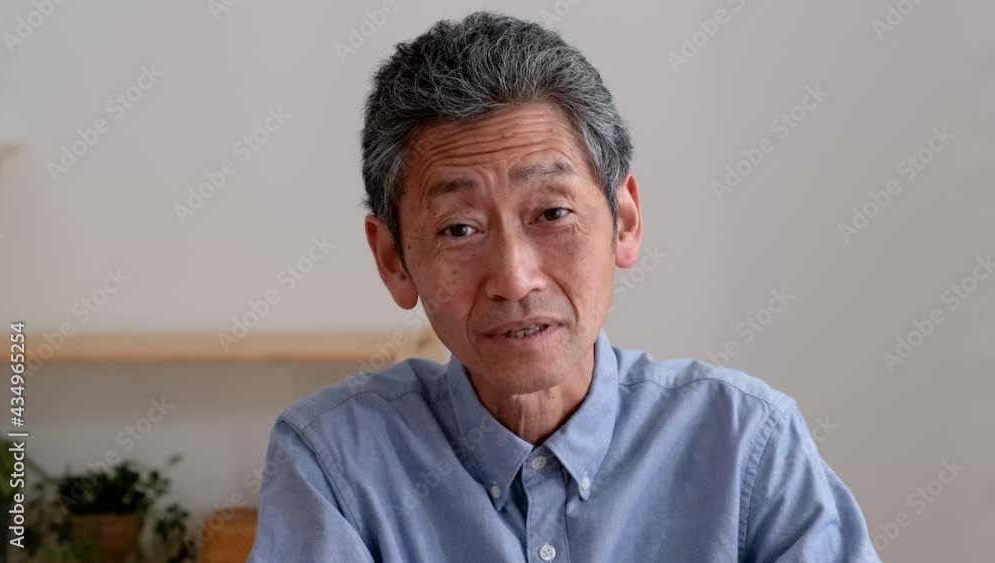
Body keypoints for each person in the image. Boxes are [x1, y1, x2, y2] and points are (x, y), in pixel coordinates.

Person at [248, 11, 880, 562]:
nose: (515, 279)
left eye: (552, 213)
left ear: (624, 221)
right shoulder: (336, 460)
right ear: (393, 260)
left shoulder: (746, 443)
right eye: (459, 229)